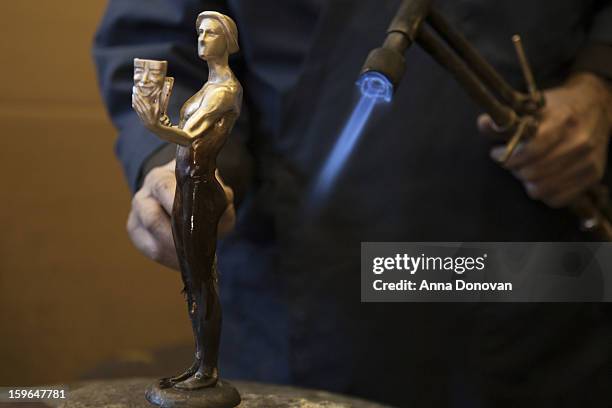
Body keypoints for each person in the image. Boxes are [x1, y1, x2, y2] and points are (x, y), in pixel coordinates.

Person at [94, 1, 612, 406]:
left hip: (529, 259)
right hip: (308, 277)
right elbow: (158, 32)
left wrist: (599, 84)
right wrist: (172, 162)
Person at [131, 11, 242, 390]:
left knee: (202, 282)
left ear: (228, 41)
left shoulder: (225, 90)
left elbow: (190, 135)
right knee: (192, 281)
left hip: (200, 187)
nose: (202, 38)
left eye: (211, 32)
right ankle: (200, 363)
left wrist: (155, 125)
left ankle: (207, 369)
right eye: (199, 32)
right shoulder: (205, 88)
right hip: (185, 185)